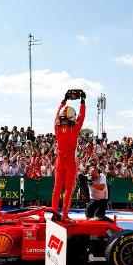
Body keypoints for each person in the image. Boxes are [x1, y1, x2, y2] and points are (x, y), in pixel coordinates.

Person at [51, 90, 86, 221]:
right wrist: (82, 101)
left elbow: (56, 114)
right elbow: (82, 116)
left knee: (57, 188)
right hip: (70, 160)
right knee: (69, 189)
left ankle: (54, 213)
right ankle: (64, 215)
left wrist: (63, 101)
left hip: (59, 159)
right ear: (72, 117)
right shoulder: (75, 128)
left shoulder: (57, 127)